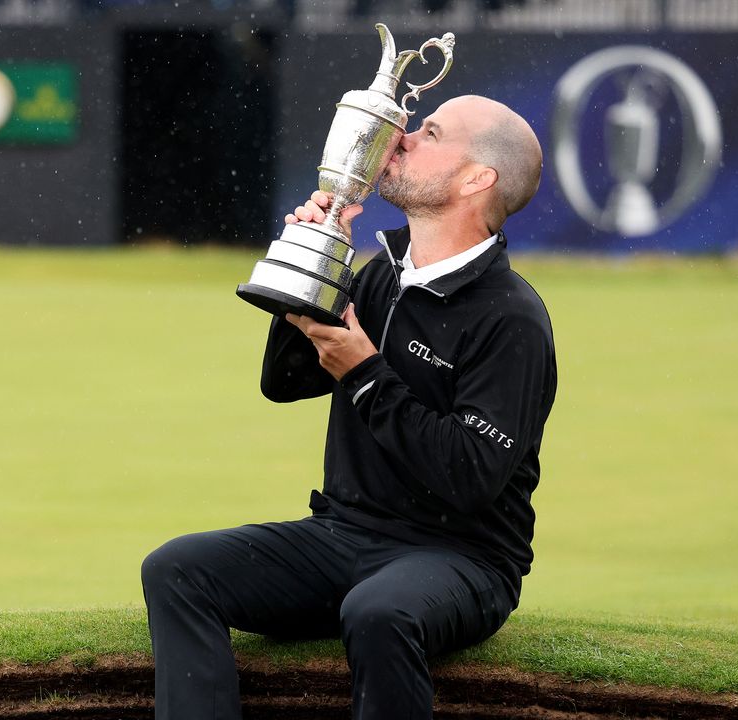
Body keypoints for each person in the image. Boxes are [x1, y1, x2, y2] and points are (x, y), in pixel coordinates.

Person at [141, 94, 556, 720]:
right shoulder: (381, 272)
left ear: (478, 179)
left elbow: (468, 477)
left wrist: (364, 371)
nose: (404, 139)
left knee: (379, 612)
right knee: (176, 569)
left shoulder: (513, 318)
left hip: (463, 560)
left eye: (430, 132)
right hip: (345, 535)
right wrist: (314, 262)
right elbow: (285, 381)